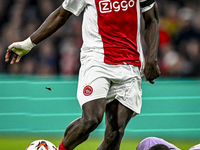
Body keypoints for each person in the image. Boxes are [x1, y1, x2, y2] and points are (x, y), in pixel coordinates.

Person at [5, 0, 160, 149]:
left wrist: (152, 59)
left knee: (115, 132)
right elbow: (61, 15)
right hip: (97, 61)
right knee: (91, 119)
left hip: (129, 66)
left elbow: (151, 19)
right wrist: (28, 43)